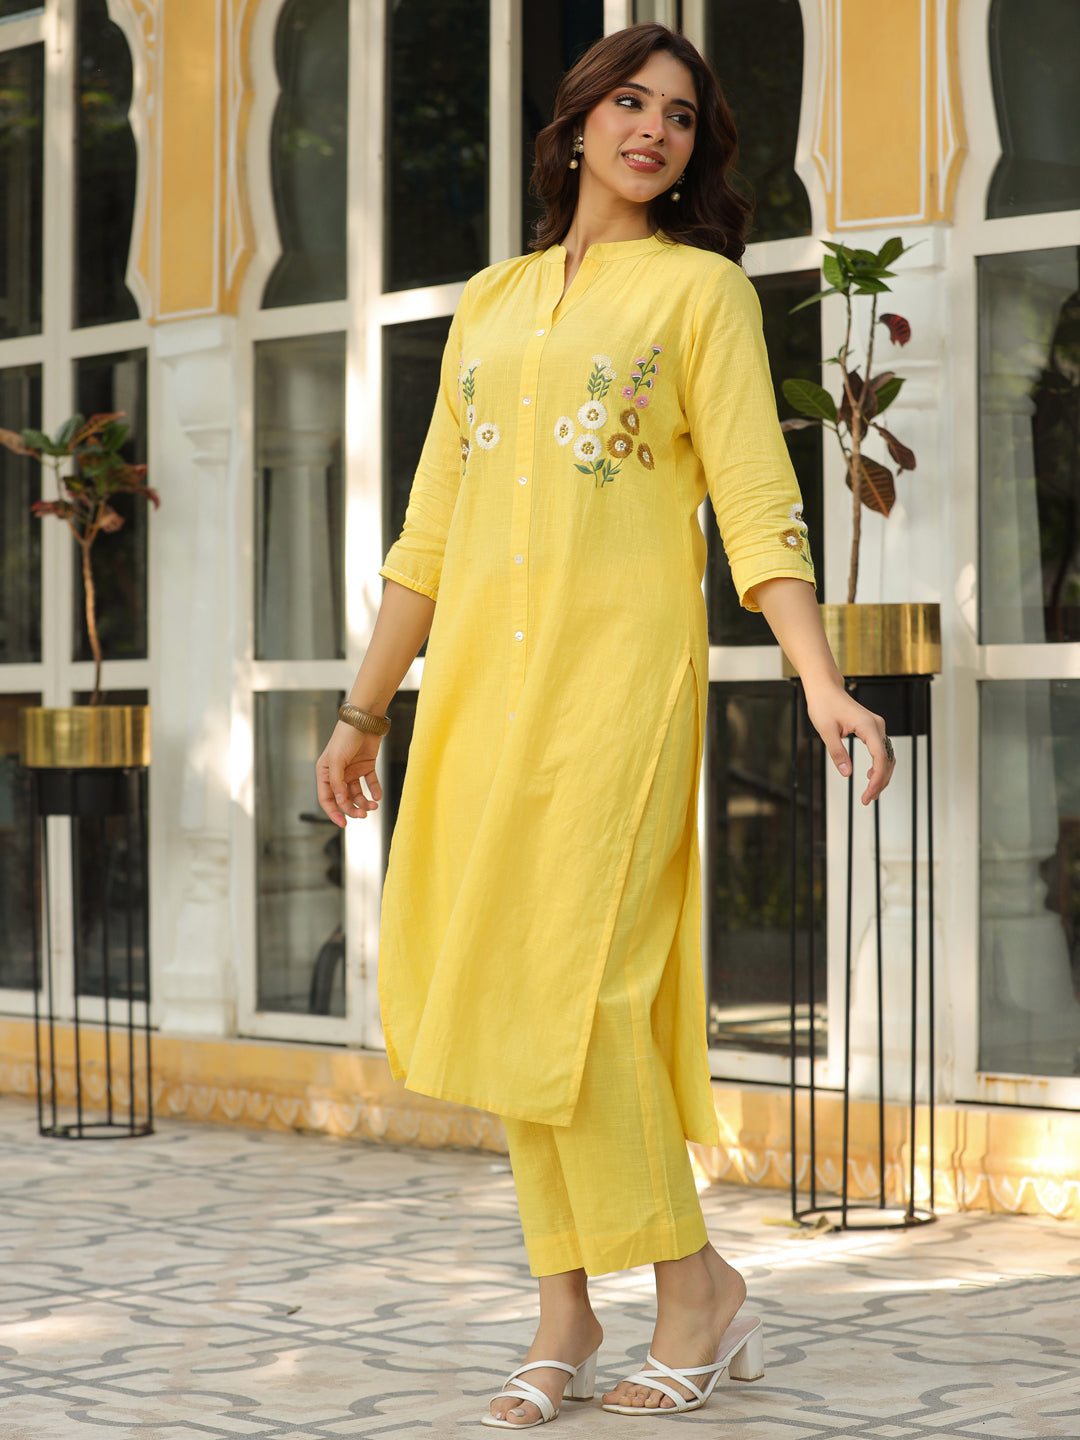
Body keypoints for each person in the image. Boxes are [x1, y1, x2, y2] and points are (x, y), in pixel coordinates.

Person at [316, 21, 895, 1429]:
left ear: (696, 152)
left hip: (619, 694)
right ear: (576, 123)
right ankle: (565, 1311)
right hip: (481, 701)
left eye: (680, 116)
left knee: (600, 998)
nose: (653, 130)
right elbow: (429, 534)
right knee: (521, 990)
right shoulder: (489, 302)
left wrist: (819, 679)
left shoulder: (701, 294)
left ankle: (693, 1290)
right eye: (630, 103)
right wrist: (363, 711)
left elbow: (755, 500)